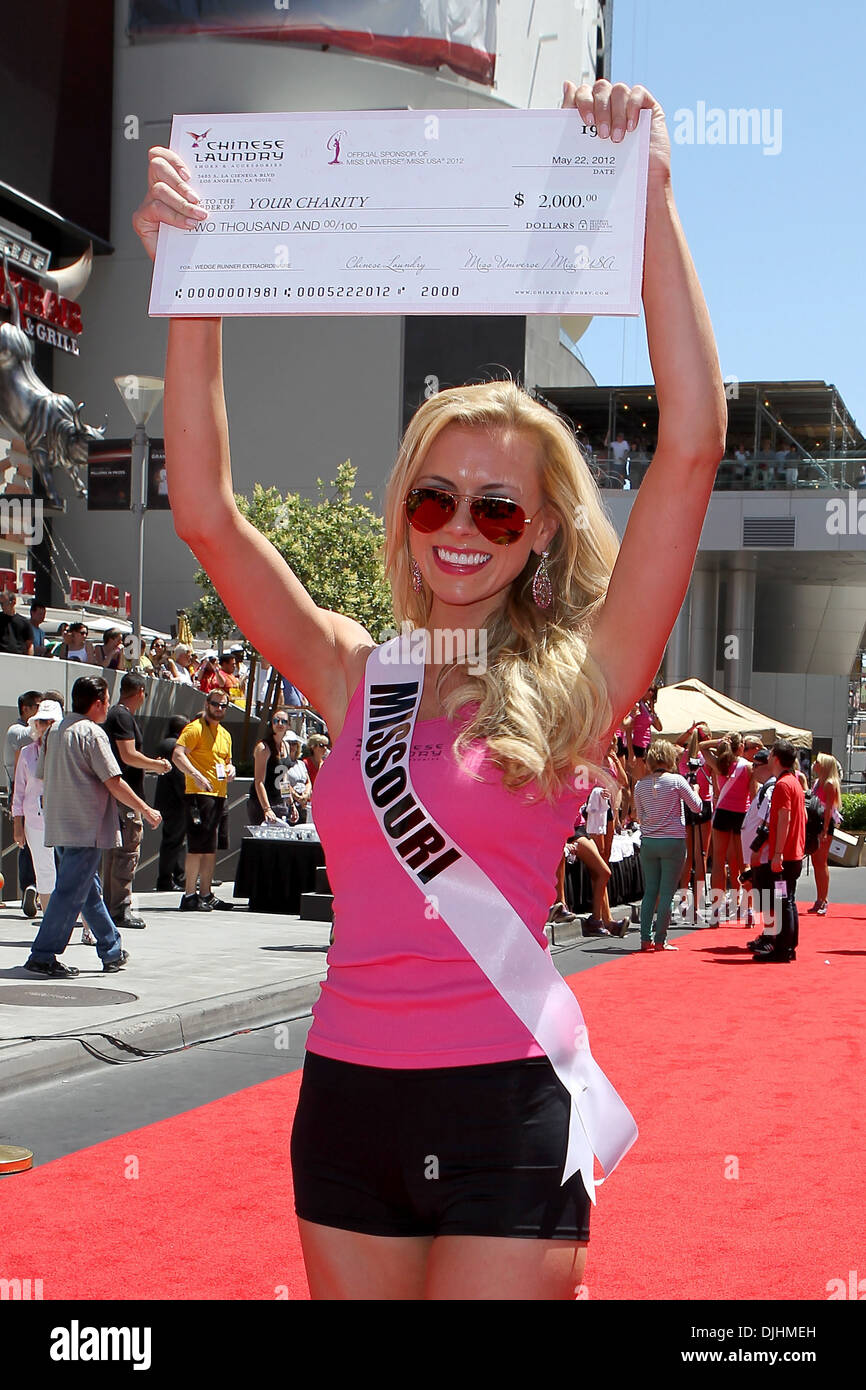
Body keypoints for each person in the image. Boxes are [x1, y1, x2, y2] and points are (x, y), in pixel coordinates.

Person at [134, 76, 726, 1299]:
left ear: (540, 533)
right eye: (433, 498)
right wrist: (192, 286)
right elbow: (204, 515)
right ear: (405, 514)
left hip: (509, 1113)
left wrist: (652, 198)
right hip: (344, 1106)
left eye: (498, 507)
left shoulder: (580, 679)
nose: (461, 528)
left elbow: (690, 447)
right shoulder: (353, 669)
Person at [22, 675, 162, 977]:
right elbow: (114, 781)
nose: (109, 706)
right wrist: (146, 809)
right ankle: (43, 955)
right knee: (70, 892)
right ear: (98, 703)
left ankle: (111, 949)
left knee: (87, 891)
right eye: (107, 700)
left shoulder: (55, 731)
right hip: (86, 828)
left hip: (59, 825)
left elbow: (42, 773)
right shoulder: (91, 733)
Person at [102, 673, 172, 930]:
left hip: (118, 795)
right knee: (127, 852)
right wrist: (158, 765)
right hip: (126, 797)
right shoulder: (122, 716)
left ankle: (110, 907)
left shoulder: (115, 714)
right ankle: (120, 909)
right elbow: (128, 755)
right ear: (141, 692)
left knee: (116, 852)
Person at [633, 741, 703, 952]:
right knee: (666, 893)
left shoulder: (640, 785)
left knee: (650, 891)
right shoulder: (677, 781)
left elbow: (640, 815)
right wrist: (696, 789)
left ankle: (645, 938)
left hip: (649, 841)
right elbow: (697, 807)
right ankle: (660, 939)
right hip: (672, 840)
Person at [171, 692, 236, 911]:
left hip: (219, 795)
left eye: (223, 705)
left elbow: (227, 761)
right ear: (207, 704)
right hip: (199, 795)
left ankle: (206, 893)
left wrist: (231, 769)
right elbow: (178, 755)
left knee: (210, 847)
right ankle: (189, 894)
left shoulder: (225, 734)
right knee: (197, 846)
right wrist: (195, 774)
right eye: (215, 704)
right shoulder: (194, 728)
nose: (219, 708)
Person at [752, 741, 805, 964]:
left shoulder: (783, 785)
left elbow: (784, 818)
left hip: (785, 855)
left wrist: (777, 853)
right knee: (787, 900)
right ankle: (788, 946)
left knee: (783, 901)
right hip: (793, 852)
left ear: (775, 758)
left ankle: (782, 948)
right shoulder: (794, 782)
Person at [12, 698, 63, 915]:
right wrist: (17, 825)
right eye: (42, 721)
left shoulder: (68, 751)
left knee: (70, 871)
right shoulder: (26, 753)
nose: (46, 726)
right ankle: (50, 921)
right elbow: (19, 792)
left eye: (51, 721)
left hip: (65, 819)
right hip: (35, 819)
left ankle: (83, 923)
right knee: (44, 872)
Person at [701, 732, 752, 925]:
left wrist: (718, 742)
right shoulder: (748, 767)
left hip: (722, 812)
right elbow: (754, 793)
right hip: (742, 814)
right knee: (744, 863)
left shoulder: (719, 764)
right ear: (741, 747)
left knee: (718, 861)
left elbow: (701, 747)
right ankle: (747, 909)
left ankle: (715, 911)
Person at [4, 688, 43, 918]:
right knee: (26, 844)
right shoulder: (17, 731)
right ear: (25, 708)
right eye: (38, 706)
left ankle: (34, 889)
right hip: (21, 795)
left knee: (36, 845)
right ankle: (31, 886)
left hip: (34, 796)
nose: (41, 712)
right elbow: (29, 739)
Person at [154, 715, 190, 891]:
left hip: (166, 799)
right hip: (176, 801)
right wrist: (188, 797)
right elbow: (179, 776)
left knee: (175, 840)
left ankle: (177, 876)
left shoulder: (164, 743)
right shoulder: (175, 746)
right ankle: (166, 879)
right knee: (173, 841)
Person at [248, 710, 301, 826]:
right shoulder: (263, 748)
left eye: (284, 721)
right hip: (261, 803)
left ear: (288, 725)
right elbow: (259, 781)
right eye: (276, 721)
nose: (280, 724)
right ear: (271, 724)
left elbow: (284, 779)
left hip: (278, 801)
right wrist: (266, 809)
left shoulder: (286, 746)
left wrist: (291, 804)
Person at [806, 752, 842, 917]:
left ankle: (824, 899)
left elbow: (828, 809)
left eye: (818, 762)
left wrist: (825, 831)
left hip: (823, 824)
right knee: (816, 862)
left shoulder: (829, 784)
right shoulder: (817, 783)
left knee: (821, 862)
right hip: (815, 823)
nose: (814, 765)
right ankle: (819, 898)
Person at [281, 729, 313, 823]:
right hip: (289, 803)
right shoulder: (281, 763)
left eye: (294, 743)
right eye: (289, 743)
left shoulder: (301, 763)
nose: (292, 746)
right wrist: (297, 797)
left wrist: (305, 795)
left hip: (304, 804)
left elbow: (308, 782)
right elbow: (283, 784)